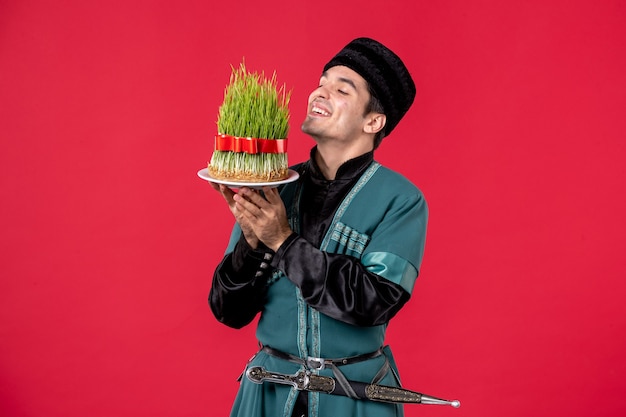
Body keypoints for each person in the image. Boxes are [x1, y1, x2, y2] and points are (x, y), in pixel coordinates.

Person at [209, 37, 428, 417]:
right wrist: (251, 243)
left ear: (373, 121)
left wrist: (282, 240)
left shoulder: (401, 199)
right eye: (321, 83)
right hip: (267, 395)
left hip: (355, 399)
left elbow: (373, 302)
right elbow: (228, 311)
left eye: (341, 89)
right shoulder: (275, 185)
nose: (319, 93)